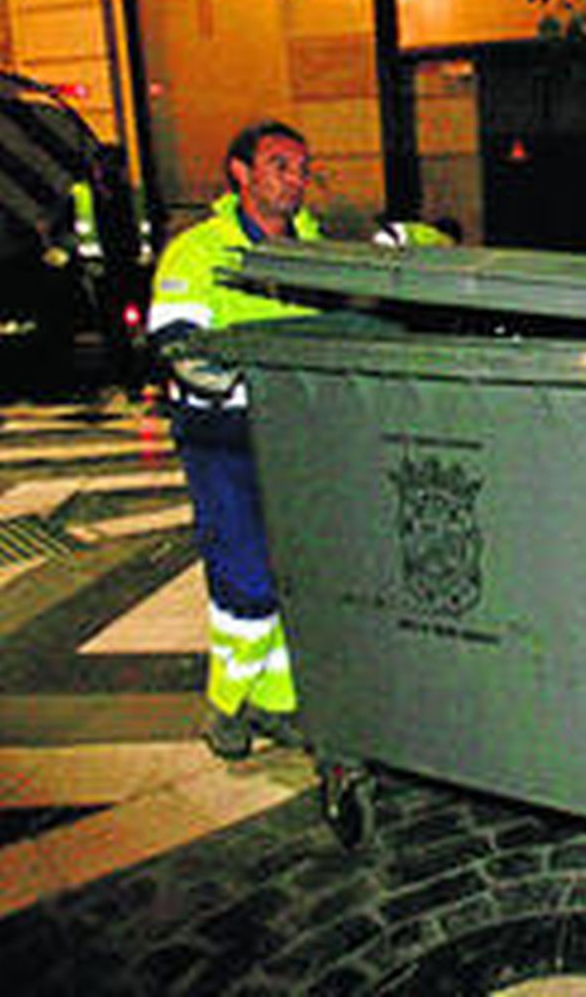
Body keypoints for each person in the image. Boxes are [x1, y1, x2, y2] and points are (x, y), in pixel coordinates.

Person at [148, 119, 322, 760]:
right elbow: (177, 343)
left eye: (303, 167)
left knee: (290, 573)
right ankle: (225, 705)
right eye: (280, 164)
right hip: (223, 436)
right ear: (240, 172)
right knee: (245, 576)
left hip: (298, 436)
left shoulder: (312, 247)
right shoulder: (199, 250)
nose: (296, 178)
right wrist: (241, 379)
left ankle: (275, 704)